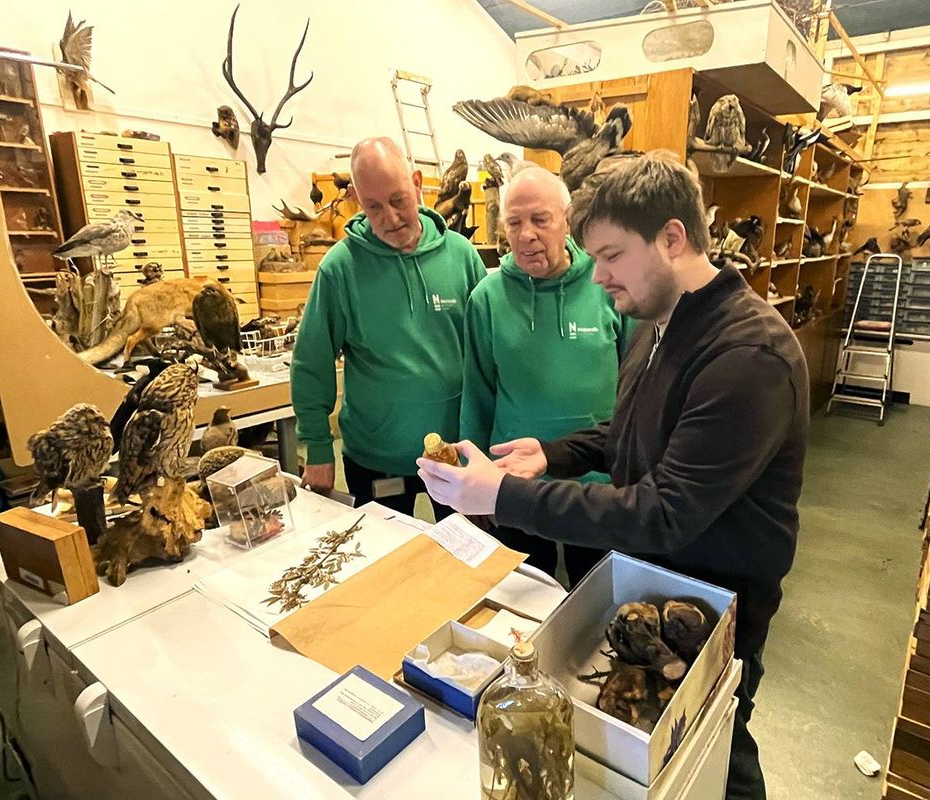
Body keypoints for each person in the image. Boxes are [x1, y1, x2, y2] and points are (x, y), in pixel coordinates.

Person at [416, 153, 809, 799]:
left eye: (611, 255)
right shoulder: (661, 324)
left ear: (672, 238)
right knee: (665, 753)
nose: (597, 276)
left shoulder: (747, 357)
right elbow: (628, 431)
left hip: (715, 605)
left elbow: (662, 510)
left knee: (720, 750)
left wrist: (505, 493)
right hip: (656, 582)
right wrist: (553, 453)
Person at [291, 137, 486, 519]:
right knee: (384, 568)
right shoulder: (340, 268)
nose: (390, 218)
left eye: (398, 200)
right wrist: (316, 447)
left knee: (466, 567)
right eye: (373, 206)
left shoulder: (462, 257)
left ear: (417, 184)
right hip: (374, 458)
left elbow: (487, 356)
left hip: (455, 455)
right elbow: (311, 364)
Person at [460, 165, 632, 586]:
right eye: (514, 223)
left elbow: (636, 384)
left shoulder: (606, 283)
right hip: (513, 479)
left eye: (540, 220)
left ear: (567, 219)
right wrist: (473, 476)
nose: (526, 235)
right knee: (522, 601)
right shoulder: (487, 298)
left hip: (597, 486)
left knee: (597, 603)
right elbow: (477, 394)